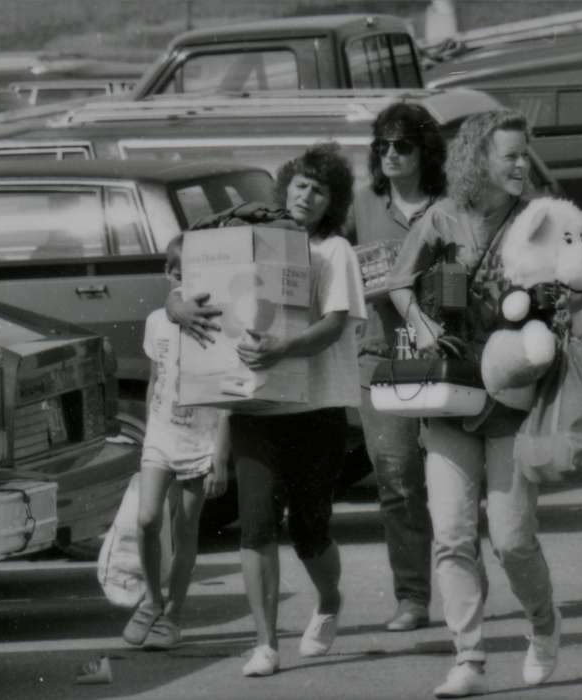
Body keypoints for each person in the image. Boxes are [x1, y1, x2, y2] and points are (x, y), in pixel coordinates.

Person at [168, 143, 367, 678]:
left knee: (310, 530)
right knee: (254, 526)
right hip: (255, 408)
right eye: (300, 185)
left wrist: (283, 348)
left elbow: (335, 323)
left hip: (316, 410)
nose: (307, 195)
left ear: (334, 202)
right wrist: (180, 308)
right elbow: (178, 289)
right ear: (285, 189)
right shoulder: (249, 244)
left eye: (320, 189)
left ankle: (329, 602)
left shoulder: (333, 252)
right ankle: (265, 643)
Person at [385, 109, 560, 698]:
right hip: (451, 390)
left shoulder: (537, 217)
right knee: (453, 533)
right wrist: (424, 327)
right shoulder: (442, 215)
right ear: (477, 159)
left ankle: (543, 626)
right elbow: (398, 283)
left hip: (512, 393)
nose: (521, 164)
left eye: (524, 153)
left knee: (511, 540)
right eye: (509, 154)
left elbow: (574, 282)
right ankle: (470, 657)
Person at [347, 102, 447, 632]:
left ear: (424, 149)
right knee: (398, 481)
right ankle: (412, 597)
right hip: (384, 357)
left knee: (455, 479)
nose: (389, 154)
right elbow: (318, 256)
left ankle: (463, 586)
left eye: (402, 145)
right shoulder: (361, 204)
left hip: (446, 356)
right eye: (382, 145)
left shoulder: (449, 205)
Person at [121, 234, 229, 651]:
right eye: (179, 275)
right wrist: (148, 434)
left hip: (200, 437)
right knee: (148, 519)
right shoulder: (156, 320)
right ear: (169, 274)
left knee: (186, 528)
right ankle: (150, 599)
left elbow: (228, 392)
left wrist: (220, 451)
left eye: (195, 276)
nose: (185, 285)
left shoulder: (219, 322)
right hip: (162, 434)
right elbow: (155, 381)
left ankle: (174, 615)